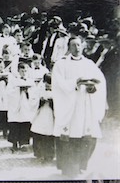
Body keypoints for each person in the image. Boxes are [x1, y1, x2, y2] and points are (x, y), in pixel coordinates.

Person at [51, 36, 107, 177]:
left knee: (86, 135)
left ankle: (82, 164)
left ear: (83, 46)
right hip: (69, 106)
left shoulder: (89, 64)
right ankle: (68, 167)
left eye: (78, 45)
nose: (77, 48)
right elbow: (58, 84)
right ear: (68, 47)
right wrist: (76, 82)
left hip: (85, 105)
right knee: (68, 136)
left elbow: (100, 82)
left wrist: (92, 88)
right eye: (73, 45)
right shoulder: (61, 64)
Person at [30, 73, 55, 163]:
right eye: (47, 83)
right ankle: (39, 153)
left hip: (51, 115)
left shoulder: (56, 91)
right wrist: (40, 102)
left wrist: (52, 103)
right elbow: (33, 100)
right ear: (44, 82)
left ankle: (49, 155)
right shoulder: (39, 90)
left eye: (51, 83)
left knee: (49, 135)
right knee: (39, 132)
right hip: (41, 114)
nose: (49, 85)